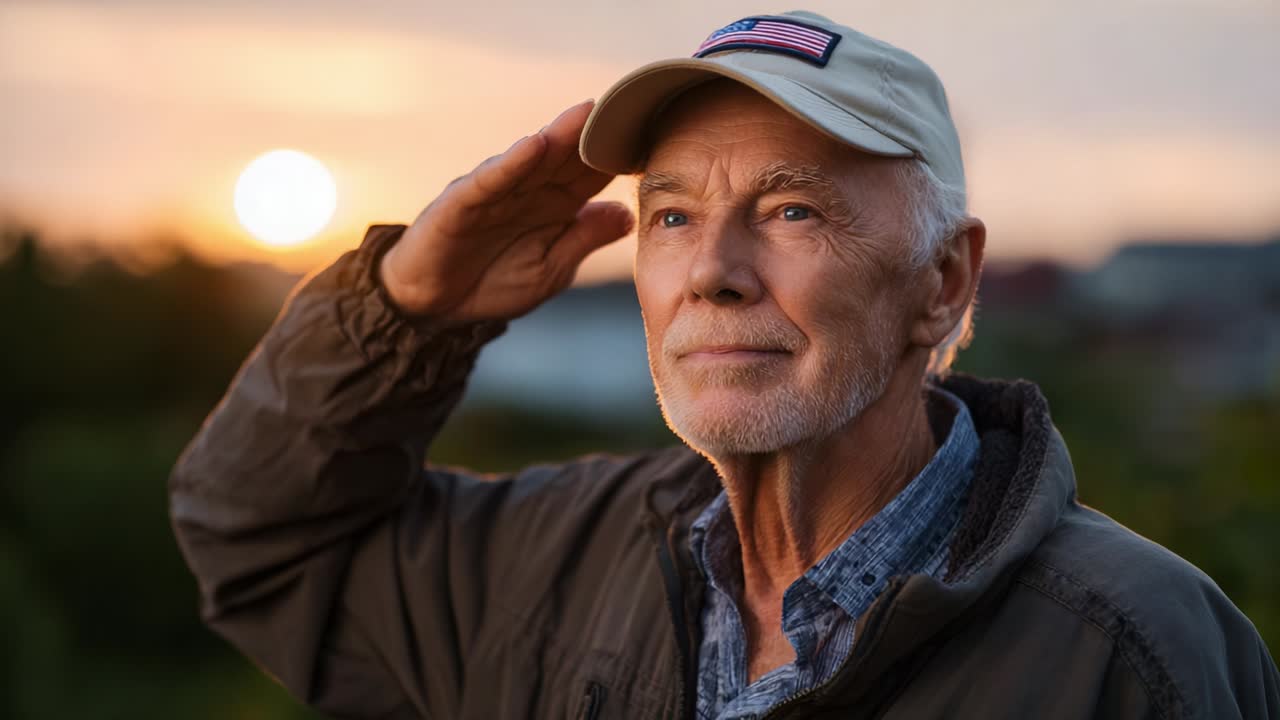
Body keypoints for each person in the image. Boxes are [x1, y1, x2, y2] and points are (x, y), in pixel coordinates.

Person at [169, 10, 1279, 719]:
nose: (712, 273)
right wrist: (403, 313)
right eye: (669, 216)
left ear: (942, 281)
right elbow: (263, 539)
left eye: (790, 209)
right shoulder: (554, 562)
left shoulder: (1133, 651)